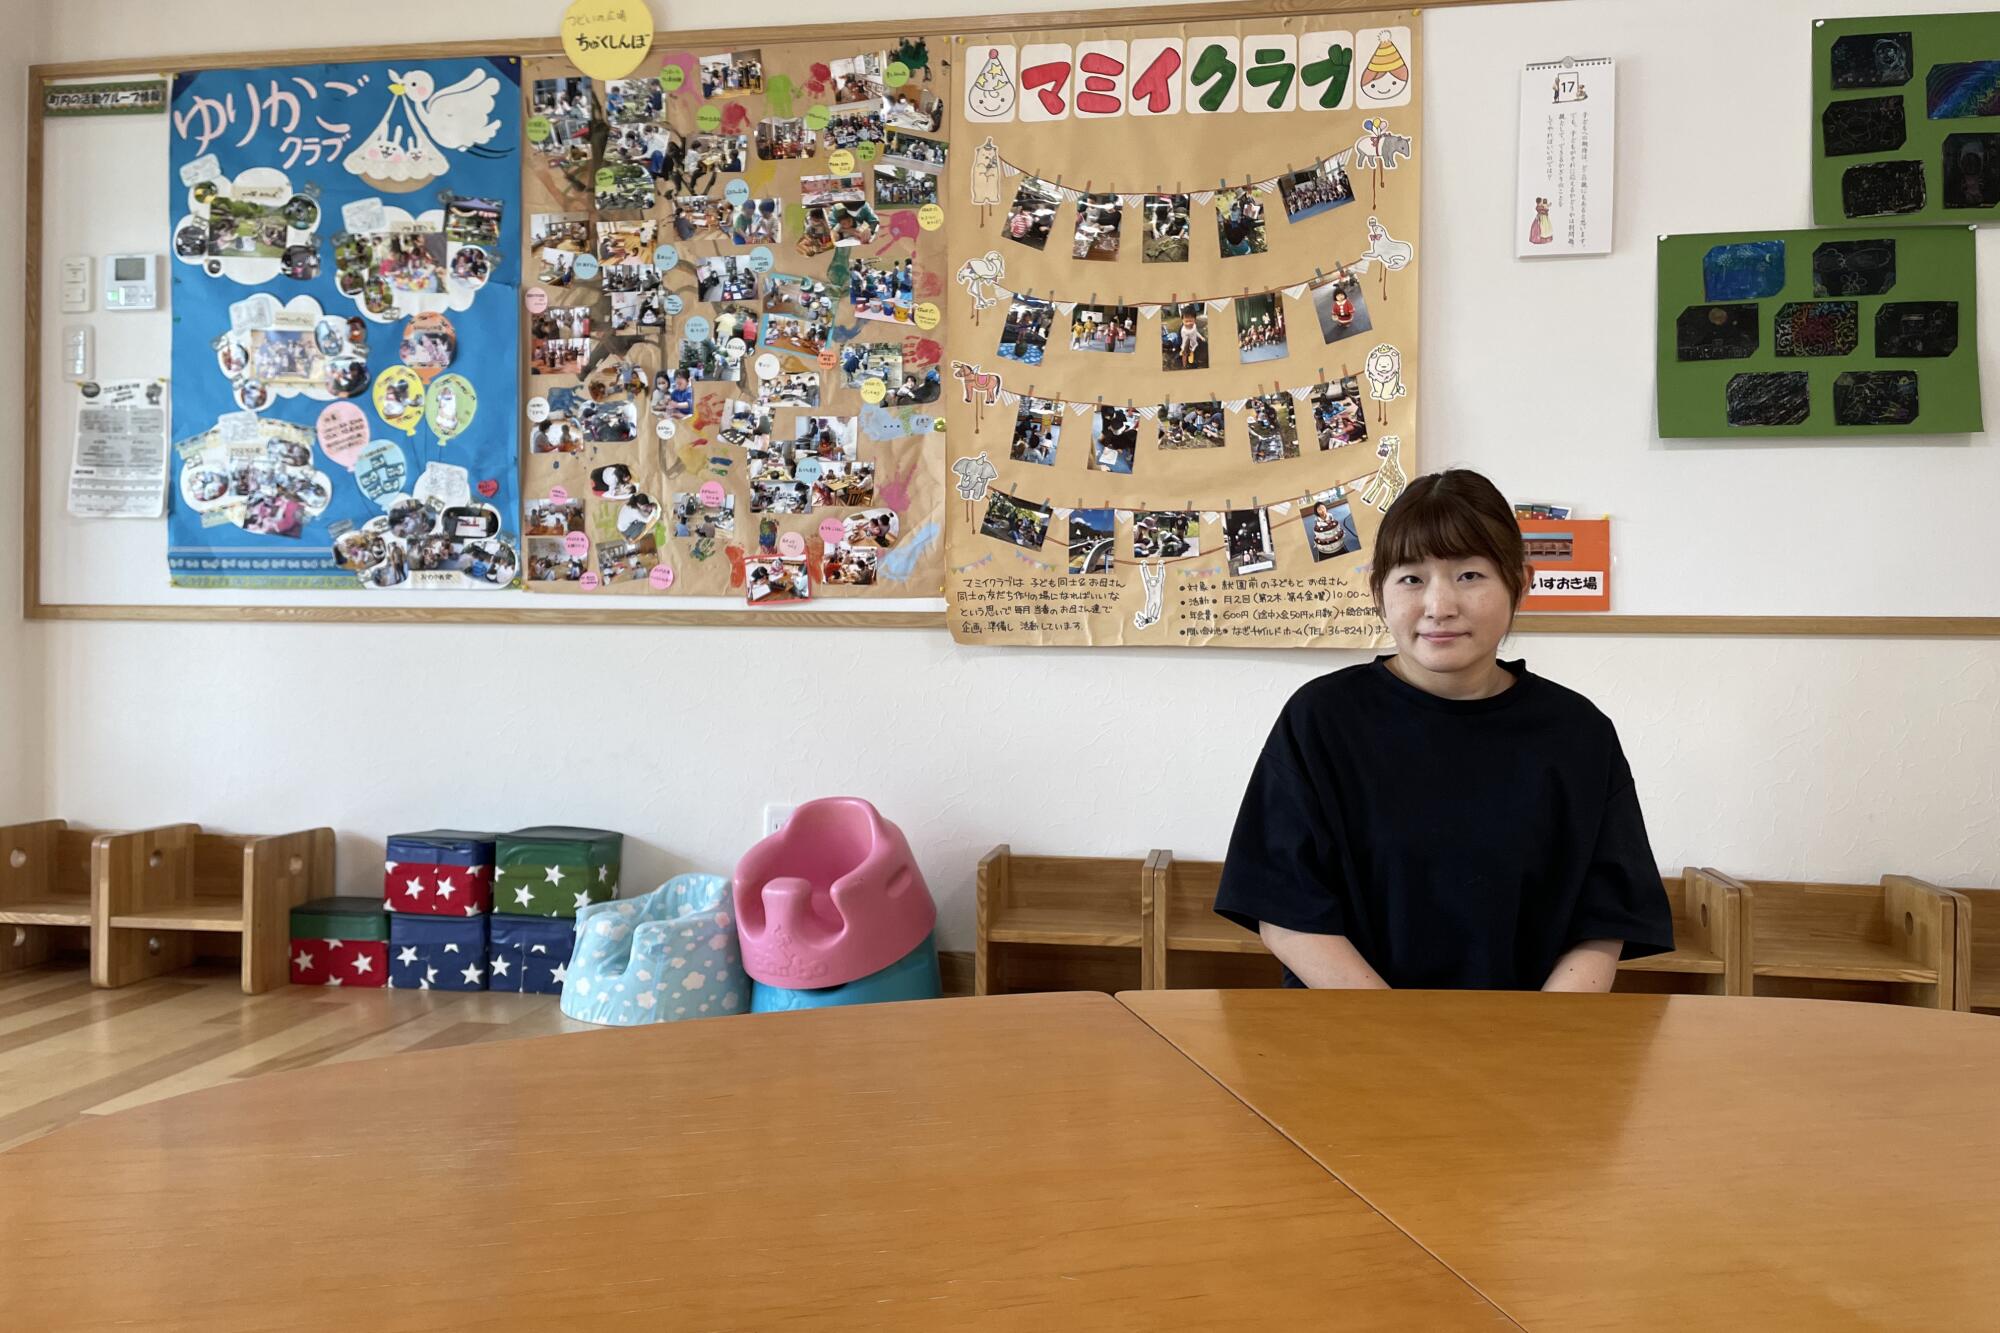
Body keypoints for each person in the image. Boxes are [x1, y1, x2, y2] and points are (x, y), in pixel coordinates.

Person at [1214, 468, 1674, 991]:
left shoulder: (1578, 733)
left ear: (1518, 583)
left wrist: (1543, 1044)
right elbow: (1285, 911)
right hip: (1353, 1039)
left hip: (1528, 1049)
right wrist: (1399, 1041)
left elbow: (1602, 922)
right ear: (1379, 592)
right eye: (1411, 578)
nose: (1439, 606)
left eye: (1469, 575)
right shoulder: (1321, 719)